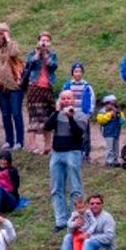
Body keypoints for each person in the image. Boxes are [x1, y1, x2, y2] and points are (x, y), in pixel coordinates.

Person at [45, 89, 88, 232]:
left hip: (72, 152)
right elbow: (47, 126)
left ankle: (76, 217)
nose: (65, 101)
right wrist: (57, 111)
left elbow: (79, 133)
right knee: (56, 188)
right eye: (63, 98)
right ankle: (60, 220)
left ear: (74, 100)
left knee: (75, 187)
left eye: (68, 98)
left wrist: (70, 117)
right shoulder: (57, 114)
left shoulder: (81, 114)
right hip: (57, 153)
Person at [0, 23, 24, 150]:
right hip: (1, 86)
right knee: (5, 114)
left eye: (4, 33)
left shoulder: (12, 45)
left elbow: (14, 53)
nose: (1, 35)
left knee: (16, 113)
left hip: (14, 86)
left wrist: (8, 39)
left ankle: (20, 141)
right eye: (0, 33)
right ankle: (9, 140)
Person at [22, 32, 58, 154]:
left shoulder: (52, 54)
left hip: (47, 88)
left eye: (47, 40)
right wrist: (38, 53)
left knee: (48, 118)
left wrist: (45, 55)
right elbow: (29, 65)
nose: (44, 42)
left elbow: (53, 67)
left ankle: (47, 146)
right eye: (42, 40)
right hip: (34, 87)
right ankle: (33, 146)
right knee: (34, 117)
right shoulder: (33, 53)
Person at [61, 62, 95, 161]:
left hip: (83, 114)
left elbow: (92, 99)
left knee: (85, 134)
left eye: (80, 71)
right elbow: (62, 98)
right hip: (71, 113)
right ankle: (72, 150)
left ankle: (85, 152)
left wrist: (89, 113)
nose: (78, 74)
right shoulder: (67, 85)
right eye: (76, 71)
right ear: (72, 73)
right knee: (71, 132)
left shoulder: (87, 86)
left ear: (83, 73)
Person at [96, 94, 126, 167]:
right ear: (106, 103)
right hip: (108, 132)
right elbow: (100, 120)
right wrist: (110, 115)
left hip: (116, 131)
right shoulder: (102, 111)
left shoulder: (117, 111)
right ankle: (109, 161)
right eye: (110, 104)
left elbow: (122, 120)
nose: (112, 106)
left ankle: (116, 161)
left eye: (114, 104)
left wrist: (119, 116)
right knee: (110, 147)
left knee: (116, 147)